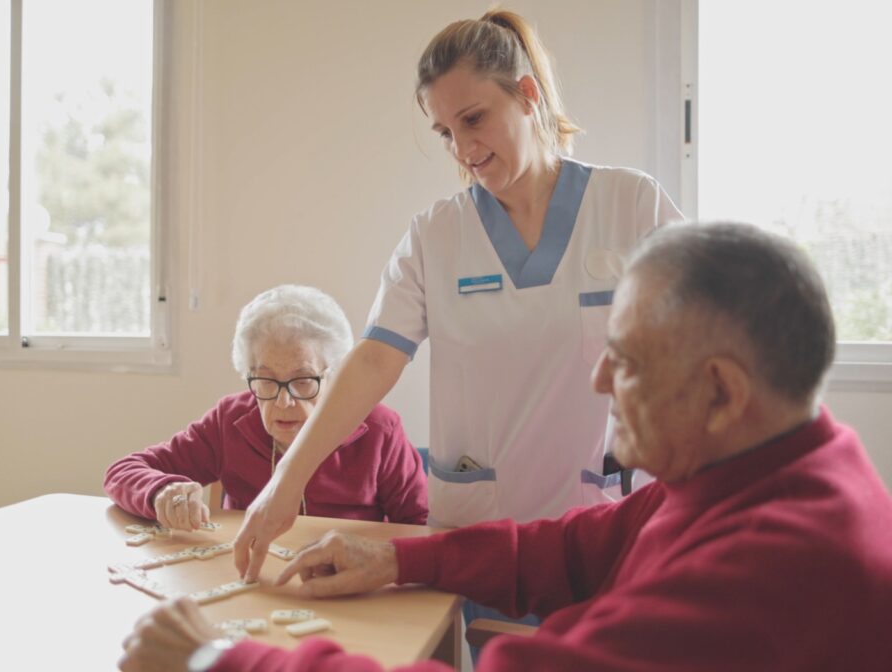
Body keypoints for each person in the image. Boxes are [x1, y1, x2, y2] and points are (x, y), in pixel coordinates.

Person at [118, 223, 892, 671]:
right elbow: (568, 549)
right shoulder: (753, 472)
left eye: (623, 359)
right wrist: (397, 560)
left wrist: (218, 659)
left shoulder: (777, 563)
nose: (597, 380)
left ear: (722, 392)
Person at [235, 9, 683, 583]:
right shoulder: (436, 236)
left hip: (604, 523)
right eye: (446, 133)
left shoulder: (632, 205)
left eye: (474, 119)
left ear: (527, 95)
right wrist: (285, 481)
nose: (463, 148)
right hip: (480, 528)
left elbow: (710, 337)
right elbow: (373, 360)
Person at [104, 284, 428, 529]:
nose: (283, 401)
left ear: (334, 376)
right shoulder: (231, 419)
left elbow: (420, 526)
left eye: (303, 380)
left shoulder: (379, 428)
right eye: (266, 381)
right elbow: (122, 471)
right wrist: (162, 492)